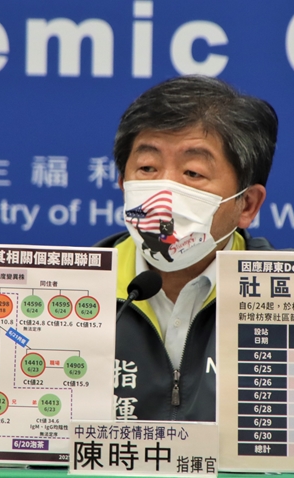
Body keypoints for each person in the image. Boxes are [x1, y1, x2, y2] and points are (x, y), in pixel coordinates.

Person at [95, 75, 279, 421]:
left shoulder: (288, 296)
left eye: (193, 173)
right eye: (147, 168)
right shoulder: (74, 290)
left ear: (247, 204)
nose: (164, 191)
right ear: (123, 185)